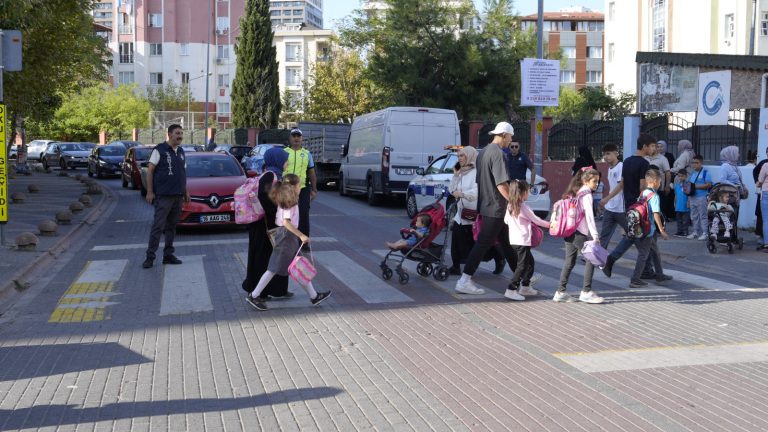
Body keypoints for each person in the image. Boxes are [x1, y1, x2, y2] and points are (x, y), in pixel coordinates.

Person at [245, 174, 331, 311]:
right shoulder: (288, 202)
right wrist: (301, 235)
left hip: (287, 237)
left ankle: (314, 296)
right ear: (293, 187)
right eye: (298, 185)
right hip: (286, 237)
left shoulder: (288, 199)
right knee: (274, 268)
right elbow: (286, 222)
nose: (300, 188)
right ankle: (254, 295)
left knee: (297, 266)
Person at [455, 122, 518, 297]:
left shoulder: (483, 152)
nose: (511, 140)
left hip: (486, 204)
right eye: (510, 137)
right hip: (496, 206)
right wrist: (513, 201)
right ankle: (465, 280)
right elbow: (501, 183)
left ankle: (522, 277)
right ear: (504, 135)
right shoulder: (498, 153)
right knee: (483, 243)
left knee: (506, 243)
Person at [242, 147, 292, 301]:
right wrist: (279, 215)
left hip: (267, 225)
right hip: (265, 226)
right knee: (264, 260)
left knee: (275, 258)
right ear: (277, 160)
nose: (287, 162)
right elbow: (265, 198)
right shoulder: (270, 176)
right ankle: (260, 292)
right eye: (285, 159)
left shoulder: (273, 175)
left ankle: (278, 290)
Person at [601, 133, 654, 278]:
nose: (654, 149)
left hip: (627, 206)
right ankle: (643, 272)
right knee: (641, 240)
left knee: (637, 237)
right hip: (637, 207)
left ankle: (648, 270)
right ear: (645, 147)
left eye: (608, 154)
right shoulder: (643, 163)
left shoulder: (628, 161)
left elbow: (623, 183)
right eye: (652, 146)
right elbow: (642, 186)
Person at [552, 168, 604, 304]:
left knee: (569, 261)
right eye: (594, 181)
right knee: (591, 259)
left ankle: (560, 292)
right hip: (578, 233)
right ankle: (586, 292)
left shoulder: (576, 192)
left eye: (598, 181)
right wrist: (595, 235)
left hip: (569, 231)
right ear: (586, 181)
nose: (597, 184)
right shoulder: (586, 194)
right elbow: (589, 216)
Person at [142, 124, 190, 269]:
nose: (180, 136)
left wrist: (186, 191)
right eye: (177, 133)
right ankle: (150, 257)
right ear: (169, 134)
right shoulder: (159, 150)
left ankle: (168, 255)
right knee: (158, 226)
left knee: (172, 227)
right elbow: (150, 171)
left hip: (178, 196)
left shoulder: (181, 151)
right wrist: (150, 191)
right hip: (163, 196)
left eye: (181, 133)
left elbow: (183, 173)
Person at [504, 180, 549, 301]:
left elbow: (506, 221)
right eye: (527, 191)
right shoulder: (523, 207)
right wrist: (551, 225)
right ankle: (511, 289)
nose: (528, 193)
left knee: (530, 263)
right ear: (522, 192)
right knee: (522, 266)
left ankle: (525, 286)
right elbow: (537, 220)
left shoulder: (510, 206)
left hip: (514, 240)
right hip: (522, 240)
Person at [628, 169, 672, 288]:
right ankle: (635, 279)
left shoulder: (643, 193)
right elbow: (656, 214)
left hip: (643, 227)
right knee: (643, 254)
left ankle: (659, 274)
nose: (660, 184)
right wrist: (662, 230)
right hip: (648, 229)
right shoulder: (654, 195)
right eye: (660, 181)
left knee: (655, 252)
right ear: (655, 181)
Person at [448, 146, 479, 275]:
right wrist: (455, 176)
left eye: (462, 156)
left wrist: (462, 194)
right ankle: (456, 266)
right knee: (455, 239)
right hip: (460, 214)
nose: (459, 158)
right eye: (458, 156)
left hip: (472, 213)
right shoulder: (461, 172)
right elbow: (451, 189)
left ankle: (498, 259)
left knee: (474, 243)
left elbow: (476, 191)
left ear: (470, 156)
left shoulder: (476, 172)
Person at [283, 128, 318, 238]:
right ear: (290, 138)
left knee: (303, 214)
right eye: (294, 136)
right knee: (286, 216)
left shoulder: (307, 154)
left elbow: (311, 172)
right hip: (287, 189)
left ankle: (304, 242)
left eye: (299, 136)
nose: (296, 138)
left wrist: (314, 189)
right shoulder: (284, 152)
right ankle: (287, 240)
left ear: (302, 138)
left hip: (302, 189)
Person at [598, 144, 625, 249]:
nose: (606, 156)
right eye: (604, 154)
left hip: (621, 209)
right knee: (604, 236)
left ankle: (647, 256)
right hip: (610, 208)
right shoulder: (610, 168)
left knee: (633, 235)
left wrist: (606, 198)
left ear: (616, 153)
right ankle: (596, 258)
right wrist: (607, 201)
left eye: (608, 154)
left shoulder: (621, 166)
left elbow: (621, 185)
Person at [686, 155, 713, 241]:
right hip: (692, 197)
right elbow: (690, 185)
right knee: (694, 216)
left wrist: (696, 186)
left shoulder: (705, 172)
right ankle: (695, 232)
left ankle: (705, 233)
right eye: (693, 163)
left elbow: (709, 184)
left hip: (701, 197)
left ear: (701, 163)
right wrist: (688, 199)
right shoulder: (693, 173)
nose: (694, 165)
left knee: (703, 215)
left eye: (696, 163)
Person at [646, 140, 673, 220]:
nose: (654, 148)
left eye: (656, 147)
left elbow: (668, 173)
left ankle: (659, 226)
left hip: (659, 187)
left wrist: (667, 186)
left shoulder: (663, 159)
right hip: (647, 188)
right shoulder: (645, 158)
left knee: (658, 207)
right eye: (653, 146)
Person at [754, 148, 768, 248]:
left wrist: (758, 184)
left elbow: (759, 181)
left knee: (766, 220)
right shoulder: (763, 163)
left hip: (766, 193)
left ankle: (766, 244)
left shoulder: (765, 165)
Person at [673, 169, 690, 237]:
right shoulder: (677, 185)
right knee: (678, 219)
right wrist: (674, 202)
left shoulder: (688, 184)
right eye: (679, 176)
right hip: (678, 205)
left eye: (682, 176)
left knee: (685, 220)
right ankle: (679, 231)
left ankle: (685, 231)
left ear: (686, 176)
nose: (680, 178)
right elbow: (676, 195)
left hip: (685, 205)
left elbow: (689, 194)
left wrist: (688, 202)